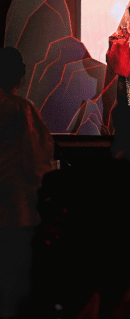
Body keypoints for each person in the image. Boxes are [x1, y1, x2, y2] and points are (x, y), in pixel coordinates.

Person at [0, 47, 56, 318]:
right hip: (16, 209)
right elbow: (35, 160)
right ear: (19, 76)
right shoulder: (20, 109)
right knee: (14, 286)